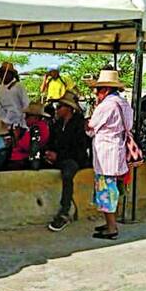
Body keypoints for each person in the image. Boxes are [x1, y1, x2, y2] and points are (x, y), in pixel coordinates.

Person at [85, 70, 133, 240]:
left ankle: (112, 228)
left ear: (104, 90)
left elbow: (91, 128)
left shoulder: (106, 106)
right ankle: (109, 223)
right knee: (112, 188)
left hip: (106, 153)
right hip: (117, 150)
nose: (96, 94)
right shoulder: (123, 104)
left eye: (98, 90)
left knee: (106, 191)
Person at [46, 93, 91, 232]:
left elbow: (79, 149)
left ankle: (65, 211)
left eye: (59, 106)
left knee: (68, 172)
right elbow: (52, 142)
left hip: (74, 159)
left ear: (69, 108)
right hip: (59, 157)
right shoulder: (57, 124)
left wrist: (58, 156)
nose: (57, 109)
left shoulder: (79, 124)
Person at [0, 64, 29, 128]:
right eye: (1, 73)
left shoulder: (18, 86)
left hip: (16, 125)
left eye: (5, 73)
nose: (2, 75)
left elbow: (26, 105)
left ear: (11, 74)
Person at [8, 103, 50, 170]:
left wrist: (16, 137)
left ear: (36, 118)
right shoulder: (40, 127)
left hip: (22, 160)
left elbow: (25, 147)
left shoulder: (37, 129)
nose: (25, 118)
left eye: (27, 116)